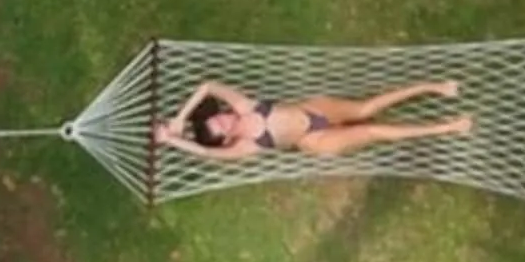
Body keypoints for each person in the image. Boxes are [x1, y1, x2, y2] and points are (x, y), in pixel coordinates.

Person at [152, 78, 472, 160]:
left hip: (314, 111)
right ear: (224, 140)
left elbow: (208, 86)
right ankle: (448, 127)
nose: (223, 121)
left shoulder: (244, 106)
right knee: (374, 131)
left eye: (218, 118)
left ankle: (436, 87)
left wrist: (180, 119)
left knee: (365, 110)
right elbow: (206, 153)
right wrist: (174, 142)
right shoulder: (246, 147)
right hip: (315, 141)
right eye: (219, 129)